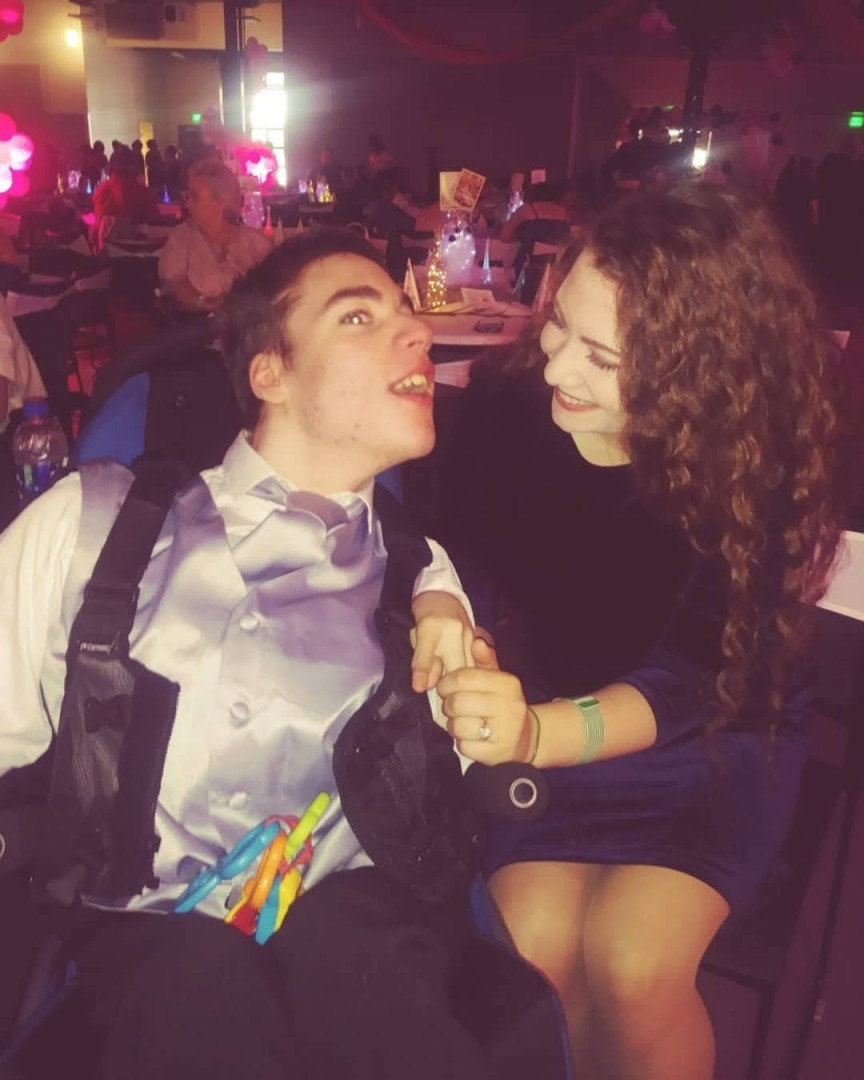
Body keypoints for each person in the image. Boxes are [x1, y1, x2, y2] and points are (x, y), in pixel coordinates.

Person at [0, 229, 541, 1080]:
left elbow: (468, 761)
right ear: (270, 375)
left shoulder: (423, 576)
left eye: (406, 314)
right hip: (150, 949)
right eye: (359, 316)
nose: (416, 333)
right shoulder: (92, 526)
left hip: (369, 947)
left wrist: (497, 719)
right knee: (193, 973)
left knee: (353, 950)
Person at [425, 184, 846, 1080]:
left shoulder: (748, 461)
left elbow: (693, 680)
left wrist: (537, 735)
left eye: (602, 356)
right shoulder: (504, 407)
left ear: (699, 373)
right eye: (558, 325)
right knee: (530, 949)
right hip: (541, 717)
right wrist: (454, 617)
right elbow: (449, 549)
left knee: (634, 961)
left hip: (707, 739)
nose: (556, 368)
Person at [158, 157, 271, 313]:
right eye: (187, 196)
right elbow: (175, 282)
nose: (187, 203)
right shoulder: (182, 238)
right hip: (195, 325)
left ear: (220, 202)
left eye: (194, 197)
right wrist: (204, 303)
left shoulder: (254, 243)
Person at [92, 147, 158, 247]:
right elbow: (154, 220)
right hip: (134, 251)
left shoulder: (100, 191)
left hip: (103, 250)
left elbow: (96, 225)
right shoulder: (141, 192)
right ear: (132, 167)